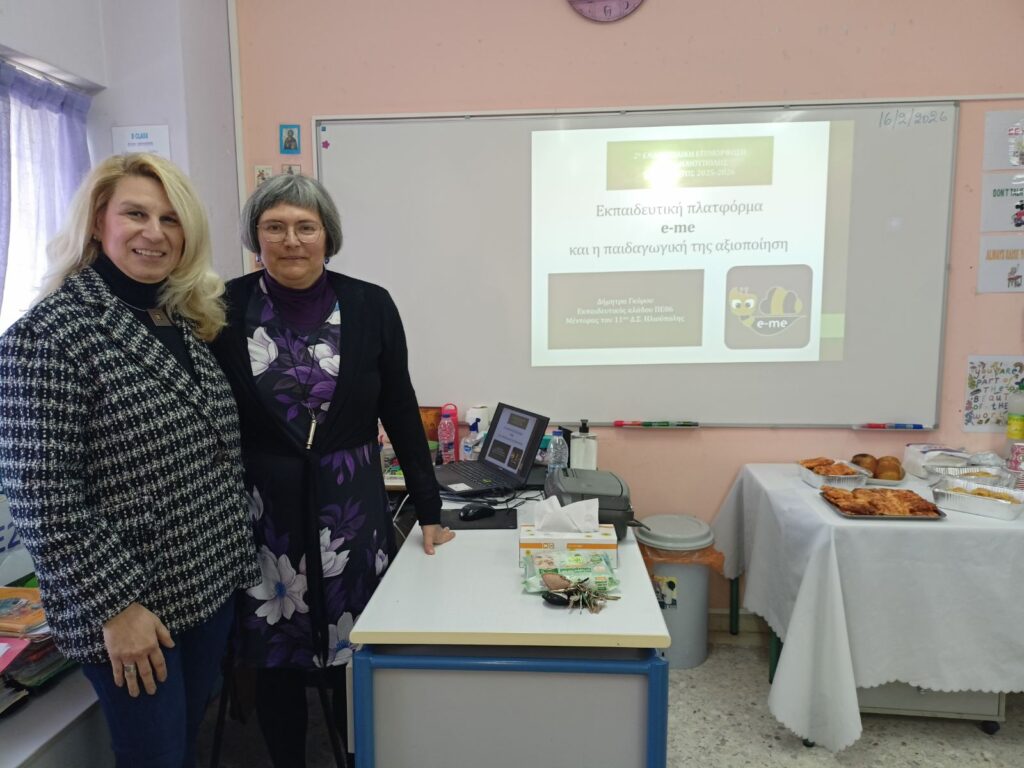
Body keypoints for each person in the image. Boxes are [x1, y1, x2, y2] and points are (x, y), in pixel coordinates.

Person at [0, 153, 260, 768]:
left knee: (180, 746)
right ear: (98, 221)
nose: (155, 233)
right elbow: (42, 496)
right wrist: (116, 609)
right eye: (136, 214)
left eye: (170, 219)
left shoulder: (173, 315)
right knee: (155, 757)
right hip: (131, 604)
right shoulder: (50, 335)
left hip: (204, 585)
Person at [211, 173, 454, 766]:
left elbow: (400, 407)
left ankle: (357, 752)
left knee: (356, 649)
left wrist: (429, 509)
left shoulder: (371, 304)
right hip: (262, 514)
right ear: (255, 237)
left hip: (352, 510)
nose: (291, 240)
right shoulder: (221, 307)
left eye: (306, 226)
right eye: (274, 227)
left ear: (328, 235)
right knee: (276, 656)